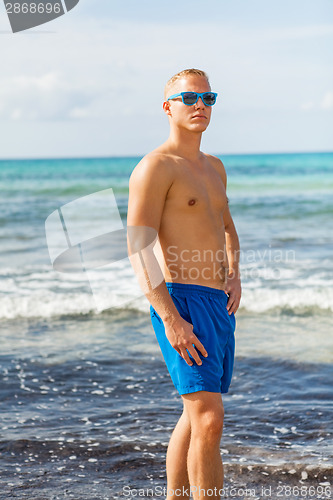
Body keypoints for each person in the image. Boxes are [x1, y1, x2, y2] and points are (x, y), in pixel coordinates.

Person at [127, 68, 241, 500]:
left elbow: (227, 226)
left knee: (194, 416)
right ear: (167, 106)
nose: (200, 105)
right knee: (210, 417)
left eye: (208, 98)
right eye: (189, 97)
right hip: (181, 302)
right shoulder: (156, 167)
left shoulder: (214, 167)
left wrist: (234, 275)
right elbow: (139, 248)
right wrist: (170, 319)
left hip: (217, 303)